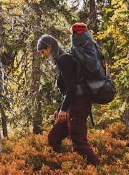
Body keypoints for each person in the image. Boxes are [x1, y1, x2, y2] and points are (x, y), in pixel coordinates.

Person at [36, 30, 101, 166]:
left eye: (43, 52)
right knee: (54, 136)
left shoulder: (63, 59)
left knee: (78, 141)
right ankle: (58, 168)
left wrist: (64, 110)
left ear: (49, 47)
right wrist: (60, 109)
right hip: (74, 103)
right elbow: (68, 90)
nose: (43, 55)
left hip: (79, 104)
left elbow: (72, 87)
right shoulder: (63, 59)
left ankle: (99, 169)